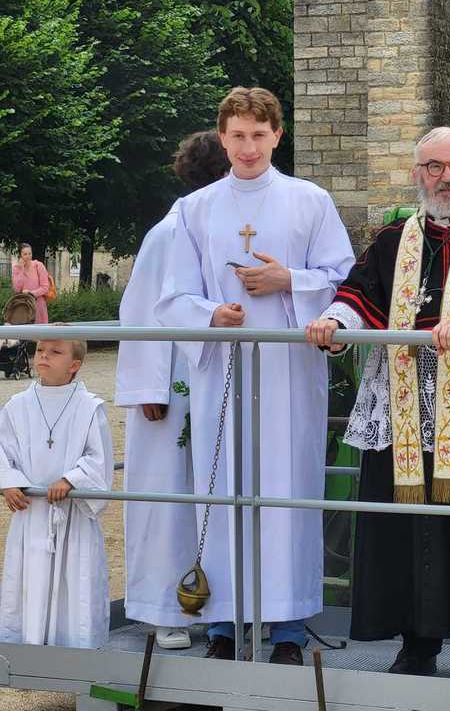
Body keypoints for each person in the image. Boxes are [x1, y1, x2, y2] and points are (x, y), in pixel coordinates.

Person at [306, 126, 450, 682]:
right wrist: (334, 324)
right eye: (434, 166)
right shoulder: (393, 240)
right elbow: (359, 293)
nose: (447, 176)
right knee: (409, 528)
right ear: (418, 174)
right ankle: (417, 644)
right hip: (403, 406)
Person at [155, 87, 355, 665]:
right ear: (223, 138)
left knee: (287, 493)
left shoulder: (310, 200)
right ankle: (223, 622)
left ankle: (288, 628)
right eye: (238, 135)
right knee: (222, 491)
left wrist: (289, 280)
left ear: (277, 136)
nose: (248, 147)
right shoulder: (194, 210)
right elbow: (173, 297)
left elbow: (343, 279)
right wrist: (211, 314)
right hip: (223, 372)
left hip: (289, 377)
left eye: (259, 135)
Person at [115, 130, 230, 650]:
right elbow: (141, 311)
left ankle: (218, 604)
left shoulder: (228, 230)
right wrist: (148, 386)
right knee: (167, 498)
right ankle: (164, 610)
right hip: (170, 387)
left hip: (216, 380)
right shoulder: (169, 232)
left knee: (216, 494)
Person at [0, 336, 114, 647]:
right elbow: (4, 447)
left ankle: (76, 654)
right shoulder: (17, 406)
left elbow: (98, 458)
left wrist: (71, 480)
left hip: (72, 516)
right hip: (32, 513)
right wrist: (10, 481)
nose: (44, 355)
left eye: (55, 351)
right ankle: (28, 653)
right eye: (40, 350)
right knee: (29, 583)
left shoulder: (90, 408)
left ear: (74, 365)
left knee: (74, 584)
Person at [11, 243, 50, 324]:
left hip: (38, 305)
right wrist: (21, 269)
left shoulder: (38, 265)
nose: (28, 256)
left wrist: (31, 293)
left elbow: (45, 287)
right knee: (25, 330)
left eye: (30, 253)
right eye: (25, 254)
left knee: (39, 330)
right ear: (20, 255)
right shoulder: (16, 268)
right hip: (23, 307)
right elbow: (17, 289)